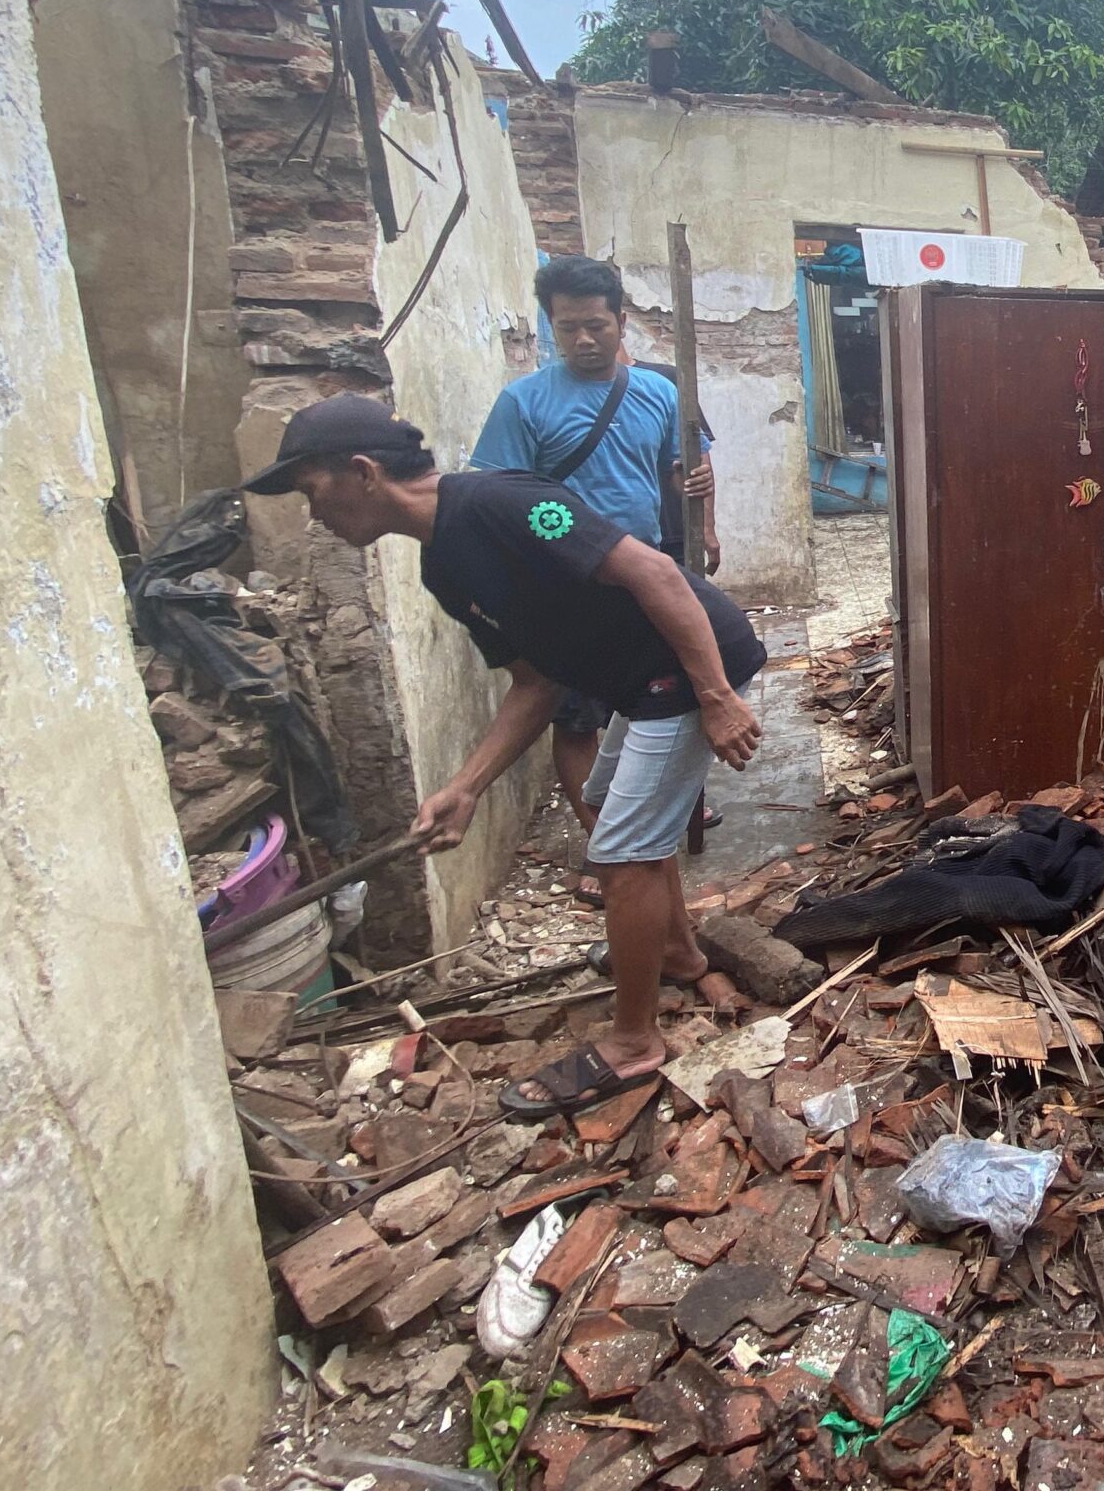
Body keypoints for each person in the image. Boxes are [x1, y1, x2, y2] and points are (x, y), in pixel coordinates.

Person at [245, 394, 764, 1115]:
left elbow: (657, 575)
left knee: (622, 855)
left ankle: (635, 1043)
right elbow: (535, 681)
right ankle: (676, 955)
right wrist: (467, 787)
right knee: (614, 817)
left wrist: (714, 695)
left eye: (312, 492)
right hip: (641, 680)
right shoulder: (443, 569)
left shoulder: (500, 504)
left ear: (363, 472)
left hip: (684, 666)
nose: (315, 516)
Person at [474, 256, 720, 851]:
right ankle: (606, 850)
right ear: (550, 326)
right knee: (579, 715)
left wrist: (701, 511)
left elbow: (681, 468)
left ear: (622, 321)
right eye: (567, 328)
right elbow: (498, 498)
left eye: (596, 325)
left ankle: (665, 815)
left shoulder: (659, 393)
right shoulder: (523, 404)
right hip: (566, 587)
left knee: (661, 695)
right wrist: (554, 544)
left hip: (645, 576)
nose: (583, 340)